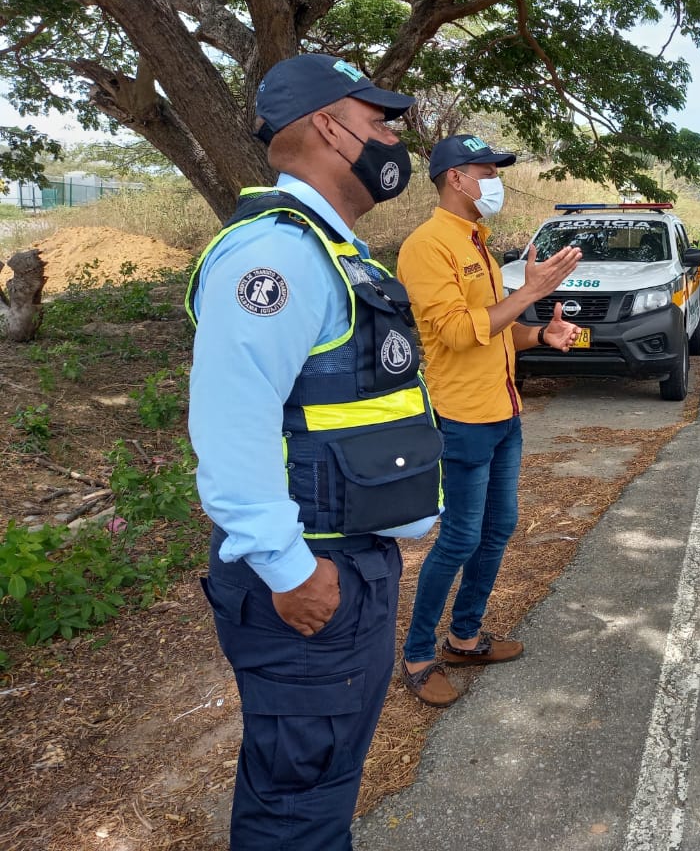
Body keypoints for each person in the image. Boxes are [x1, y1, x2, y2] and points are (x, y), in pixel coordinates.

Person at [187, 54, 444, 848]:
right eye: (378, 123)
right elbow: (233, 426)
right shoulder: (277, 258)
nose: (392, 140)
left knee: (319, 789)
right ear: (329, 128)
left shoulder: (333, 253)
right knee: (298, 806)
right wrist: (291, 571)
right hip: (311, 578)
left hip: (350, 567)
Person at [396, 134, 583, 707]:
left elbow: (495, 333)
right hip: (463, 419)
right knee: (460, 537)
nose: (496, 181)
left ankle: (464, 636)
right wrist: (530, 291)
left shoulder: (477, 242)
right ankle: (418, 655)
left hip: (504, 413)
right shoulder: (427, 246)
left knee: (499, 527)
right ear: (456, 178)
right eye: (488, 171)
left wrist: (541, 334)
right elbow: (457, 333)